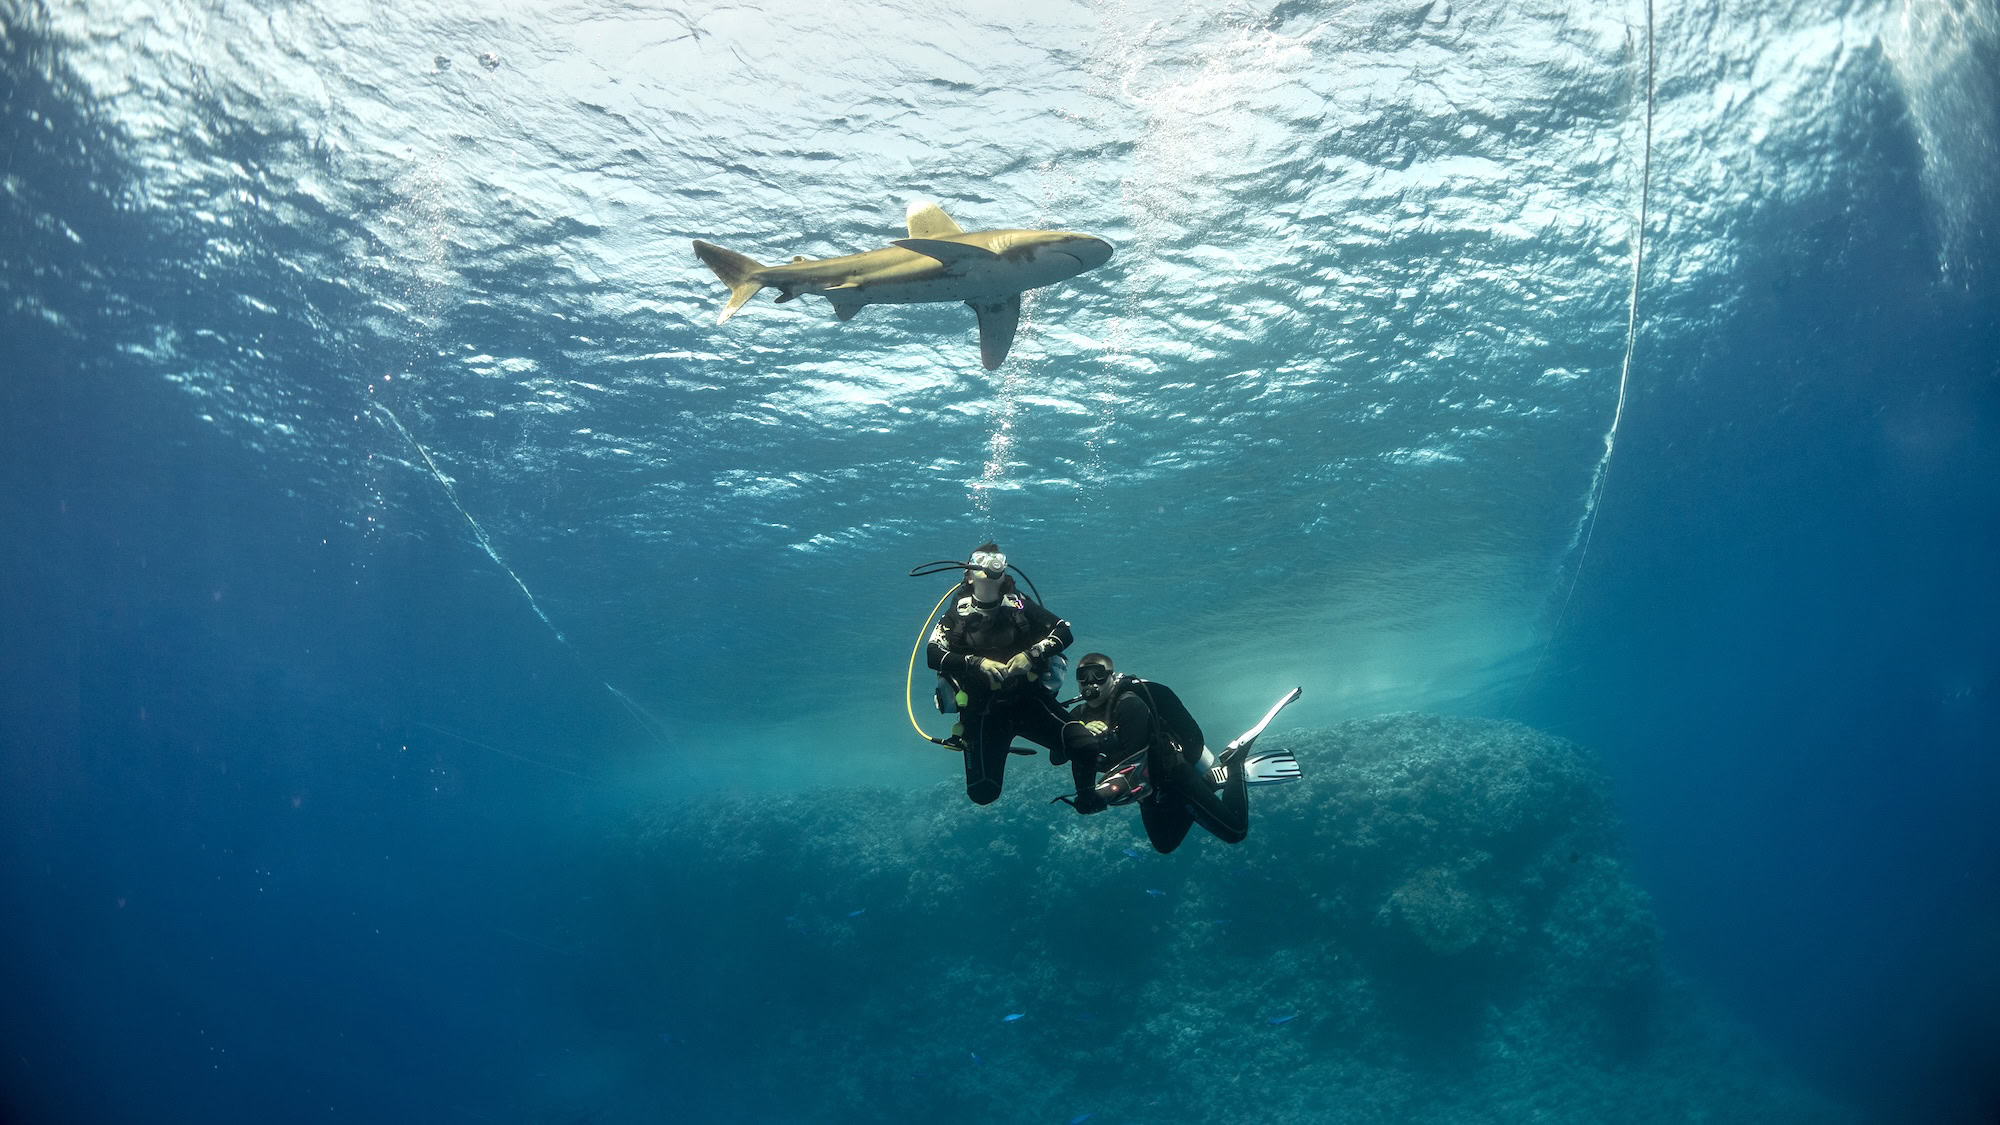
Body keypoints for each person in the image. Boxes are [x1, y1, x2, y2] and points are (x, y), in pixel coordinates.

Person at [1060, 652, 1302, 853]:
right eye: (1083, 676)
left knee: (1236, 831)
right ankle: (1208, 782)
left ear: (1111, 678)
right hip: (1148, 792)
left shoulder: (1129, 704)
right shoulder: (1078, 717)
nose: (1091, 682)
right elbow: (1057, 755)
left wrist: (1098, 796)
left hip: (1174, 777)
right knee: (1164, 845)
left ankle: (1235, 761)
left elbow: (1135, 766)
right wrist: (1080, 733)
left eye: (1098, 675)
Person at [925, 542, 1091, 806]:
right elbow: (933, 655)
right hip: (982, 713)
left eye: (997, 558)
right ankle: (1000, 745)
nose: (991, 562)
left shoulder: (1020, 605)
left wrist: (1031, 655)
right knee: (983, 794)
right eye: (982, 558)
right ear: (968, 573)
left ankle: (1087, 797)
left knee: (1089, 747)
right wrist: (976, 663)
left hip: (1030, 702)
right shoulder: (956, 614)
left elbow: (1063, 631)